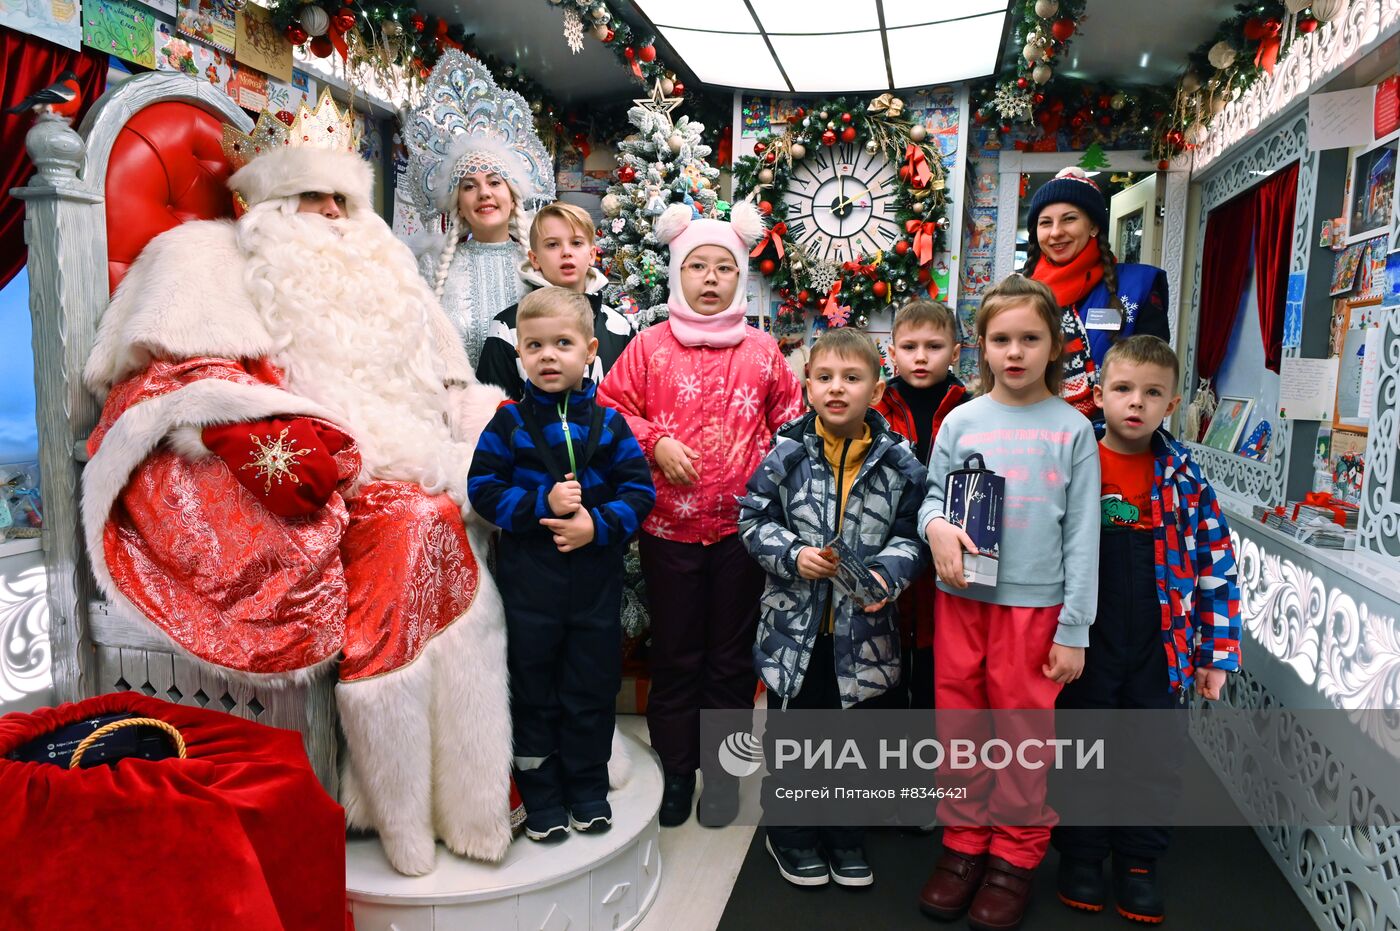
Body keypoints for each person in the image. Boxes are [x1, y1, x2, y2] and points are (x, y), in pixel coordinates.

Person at [82, 91, 512, 877]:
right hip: (307, 483)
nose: (331, 212)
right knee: (419, 521)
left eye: (342, 196)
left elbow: (450, 378)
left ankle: (470, 793)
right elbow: (174, 375)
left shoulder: (388, 270)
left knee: (445, 508)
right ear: (265, 199)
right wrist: (251, 426)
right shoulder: (207, 258)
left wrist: (492, 422)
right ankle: (404, 807)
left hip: (404, 457)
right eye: (309, 195)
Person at [598, 201, 805, 828]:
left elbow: (793, 426)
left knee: (731, 660)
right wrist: (654, 441)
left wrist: (767, 488)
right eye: (697, 266)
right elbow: (609, 410)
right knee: (677, 657)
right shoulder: (647, 348)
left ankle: (721, 776)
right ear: (676, 275)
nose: (711, 278)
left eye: (723, 267)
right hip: (669, 532)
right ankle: (676, 772)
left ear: (741, 274)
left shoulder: (763, 350)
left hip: (744, 535)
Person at [917, 275, 1101, 930]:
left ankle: (1015, 854)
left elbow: (1083, 536)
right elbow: (932, 501)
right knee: (960, 728)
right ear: (982, 347)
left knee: (1022, 735)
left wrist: (1074, 626)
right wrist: (935, 527)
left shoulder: (1073, 429)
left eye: (1030, 338)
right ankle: (964, 842)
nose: (1015, 351)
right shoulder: (961, 420)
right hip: (962, 598)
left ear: (1053, 345)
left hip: (1035, 609)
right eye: (1001, 339)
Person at [1052, 334, 1241, 924]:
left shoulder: (1185, 476)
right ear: (1100, 393)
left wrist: (1217, 654)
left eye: (1153, 393)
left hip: (1163, 646)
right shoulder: (1075, 459)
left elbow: (1215, 565)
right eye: (1125, 389)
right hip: (1088, 640)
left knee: (1151, 754)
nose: (1137, 403)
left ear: (1172, 402)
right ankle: (1082, 855)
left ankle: (1138, 861)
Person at [739, 328, 927, 888]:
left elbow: (914, 532)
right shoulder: (786, 452)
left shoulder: (900, 463)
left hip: (863, 632)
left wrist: (883, 573)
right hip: (793, 632)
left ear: (877, 389)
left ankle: (846, 835)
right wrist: (793, 554)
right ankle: (791, 835)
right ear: (807, 387)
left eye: (852, 378)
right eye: (824, 378)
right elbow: (751, 519)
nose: (837, 389)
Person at [468, 287, 655, 842]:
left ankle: (587, 787)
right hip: (531, 583)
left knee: (591, 687)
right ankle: (542, 792)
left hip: (595, 582)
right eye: (535, 345)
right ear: (520, 354)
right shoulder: (507, 425)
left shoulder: (611, 425)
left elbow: (640, 492)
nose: (549, 355)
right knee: (534, 686)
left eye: (563, 344)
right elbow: (482, 490)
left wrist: (596, 525)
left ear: (590, 350)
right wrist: (537, 507)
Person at [403, 50, 557, 368]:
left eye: (494, 182)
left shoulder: (542, 267)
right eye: (469, 185)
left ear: (513, 195)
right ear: (457, 202)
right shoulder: (430, 267)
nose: (483, 193)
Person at [872, 300, 969, 708]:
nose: (921, 357)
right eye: (909, 347)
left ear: (956, 352)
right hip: (887, 549)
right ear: (891, 353)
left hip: (950, 554)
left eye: (934, 346)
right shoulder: (875, 410)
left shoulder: (970, 410)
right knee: (886, 661)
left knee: (937, 664)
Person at [1022, 167, 1172, 416]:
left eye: (1069, 219)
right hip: (1031, 434)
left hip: (1112, 438)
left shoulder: (1139, 285)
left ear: (1093, 226)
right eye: (1045, 223)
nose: (1056, 231)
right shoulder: (1018, 293)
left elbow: (1154, 374)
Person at [477, 202, 635, 400]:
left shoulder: (620, 327)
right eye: (552, 244)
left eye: (576, 243)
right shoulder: (507, 327)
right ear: (534, 259)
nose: (566, 252)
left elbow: (632, 405)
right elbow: (490, 412)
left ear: (592, 255)